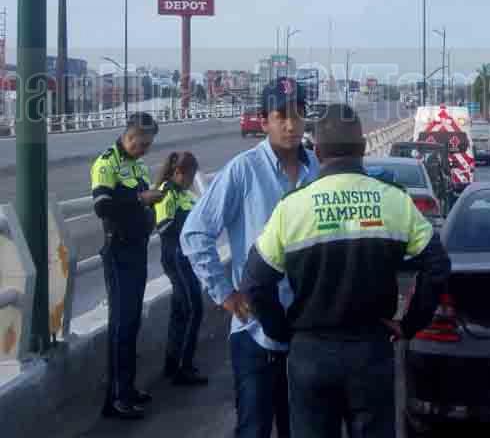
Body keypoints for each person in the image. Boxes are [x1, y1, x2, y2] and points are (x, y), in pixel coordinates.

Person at [241, 103, 451, 438]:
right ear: (364, 148)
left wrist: (281, 330)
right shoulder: (395, 201)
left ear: (318, 151)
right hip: (371, 351)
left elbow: (253, 283)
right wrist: (409, 324)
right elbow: (438, 266)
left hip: (309, 352)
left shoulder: (292, 208)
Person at [181, 78, 319, 438]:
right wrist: (226, 294)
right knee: (253, 429)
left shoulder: (318, 172)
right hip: (254, 331)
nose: (291, 125)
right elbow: (195, 233)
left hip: (307, 331)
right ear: (264, 120)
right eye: (281, 116)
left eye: (299, 115)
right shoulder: (244, 170)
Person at [90, 112, 163, 420]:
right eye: (142, 143)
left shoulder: (138, 165)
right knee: (121, 325)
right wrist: (140, 199)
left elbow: (142, 200)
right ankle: (116, 398)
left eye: (149, 145)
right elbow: (102, 207)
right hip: (119, 251)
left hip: (136, 249)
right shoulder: (106, 163)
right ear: (129, 136)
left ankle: (128, 387)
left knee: (132, 322)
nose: (145, 149)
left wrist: (152, 198)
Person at [154, 151, 208, 386]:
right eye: (189, 176)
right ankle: (183, 366)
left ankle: (173, 362)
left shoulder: (182, 193)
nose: (190, 181)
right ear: (178, 173)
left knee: (180, 311)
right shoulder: (167, 193)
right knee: (193, 308)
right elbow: (164, 226)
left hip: (183, 256)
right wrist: (189, 225)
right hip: (176, 255)